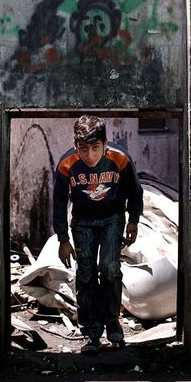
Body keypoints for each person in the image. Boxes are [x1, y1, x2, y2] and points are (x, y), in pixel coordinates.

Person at [53, 115, 144, 354]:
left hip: (112, 217)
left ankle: (112, 321)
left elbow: (135, 191)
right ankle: (91, 332)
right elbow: (59, 202)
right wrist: (63, 238)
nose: (90, 156)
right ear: (75, 146)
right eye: (84, 149)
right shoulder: (67, 164)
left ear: (105, 144)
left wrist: (133, 220)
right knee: (85, 274)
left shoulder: (120, 159)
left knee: (110, 268)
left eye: (96, 148)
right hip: (82, 221)